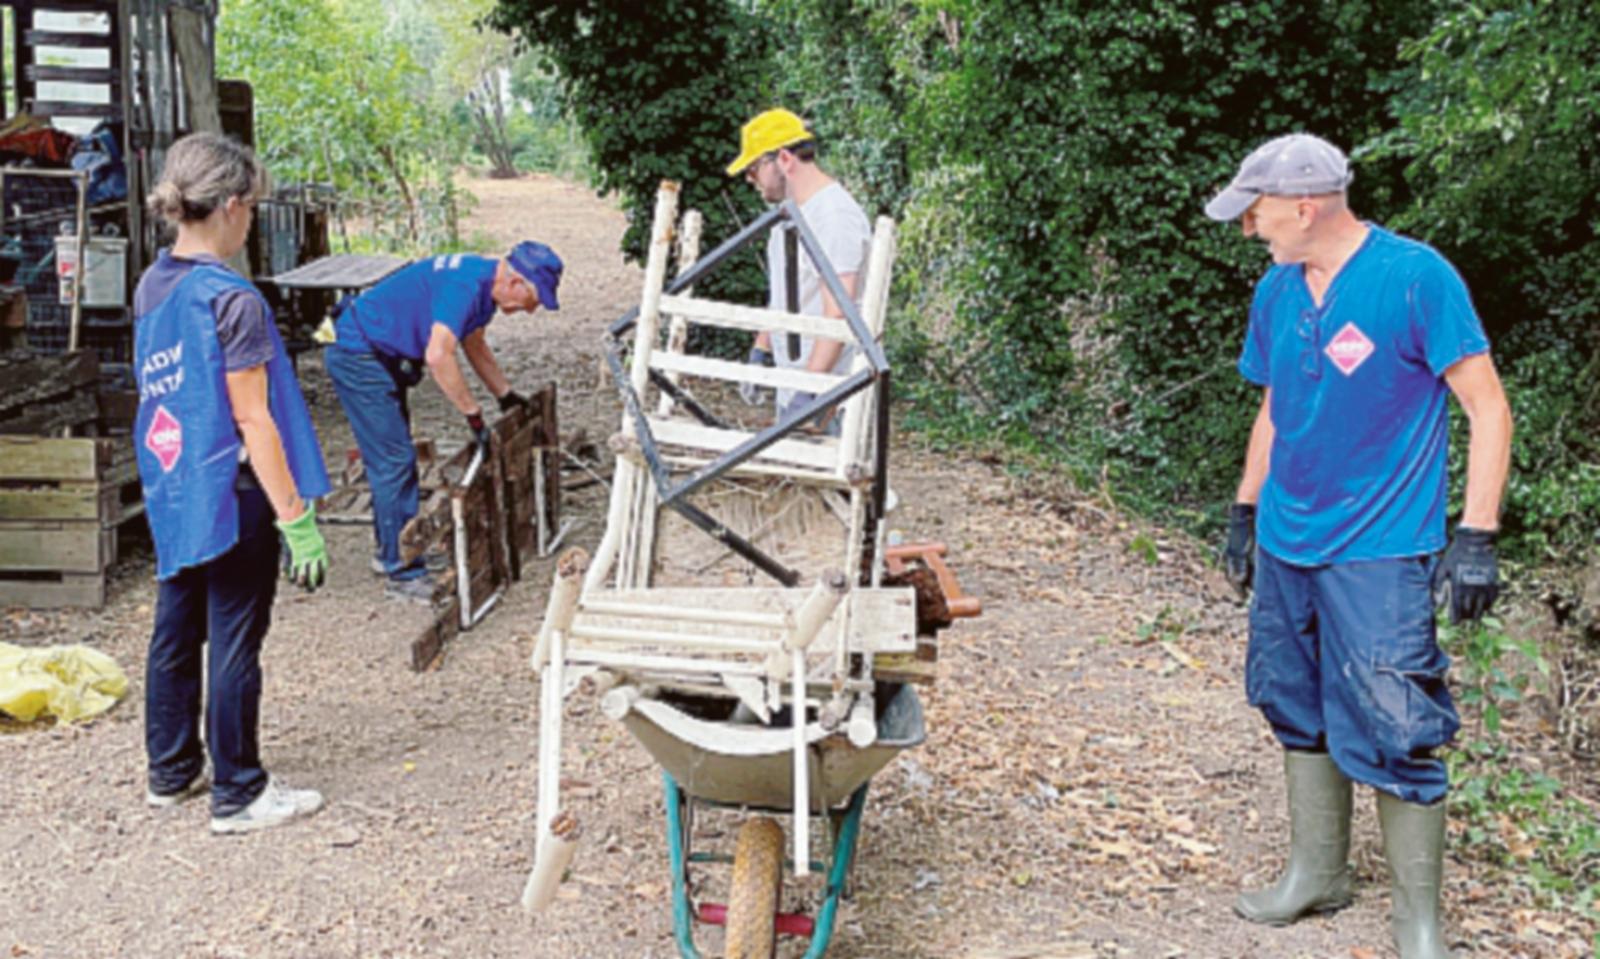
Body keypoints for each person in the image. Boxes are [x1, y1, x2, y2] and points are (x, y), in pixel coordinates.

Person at [1208, 133, 1512, 959]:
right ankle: (1318, 870)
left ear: (1304, 206)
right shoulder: (1278, 289)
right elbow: (1274, 405)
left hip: (1379, 546)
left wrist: (1476, 533)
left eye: (1257, 212)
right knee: (1290, 698)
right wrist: (1244, 509)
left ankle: (1418, 923)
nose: (1250, 229)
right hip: (1287, 539)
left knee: (1399, 720)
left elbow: (1487, 405)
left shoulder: (1416, 278)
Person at [133, 132, 332, 834]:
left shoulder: (154, 283)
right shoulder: (232, 299)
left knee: (177, 626)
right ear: (234, 205)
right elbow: (254, 417)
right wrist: (294, 515)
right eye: (253, 207)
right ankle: (240, 792)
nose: (252, 221)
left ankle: (172, 770)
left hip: (176, 481)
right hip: (236, 491)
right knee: (236, 637)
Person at [323, 240, 563, 603]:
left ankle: (392, 549)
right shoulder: (465, 286)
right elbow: (438, 356)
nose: (529, 311)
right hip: (357, 352)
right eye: (532, 301)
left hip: (380, 352)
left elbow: (473, 344)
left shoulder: (483, 286)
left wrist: (504, 394)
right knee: (394, 461)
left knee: (391, 458)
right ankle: (400, 571)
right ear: (515, 282)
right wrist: (474, 418)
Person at [726, 108, 871, 433]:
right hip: (796, 378)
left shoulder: (833, 217)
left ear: (784, 160)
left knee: (835, 479)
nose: (750, 180)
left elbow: (839, 312)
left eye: (753, 169)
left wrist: (811, 394)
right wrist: (761, 349)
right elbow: (784, 294)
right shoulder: (788, 219)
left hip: (830, 391)